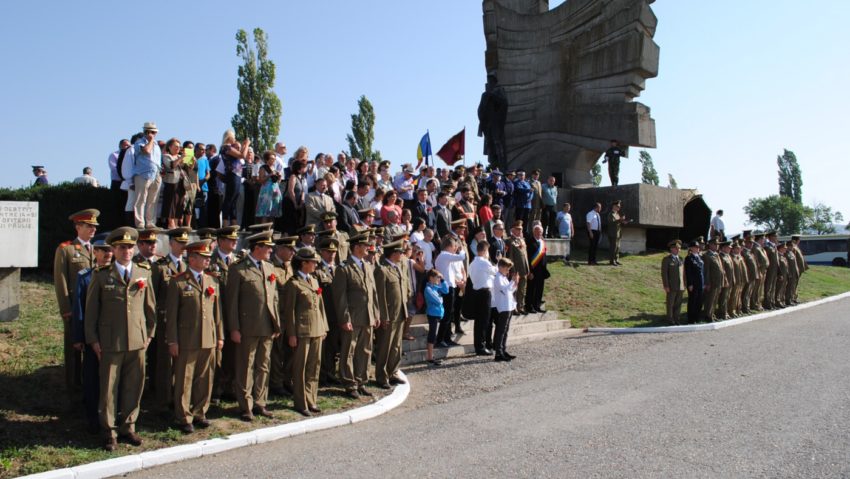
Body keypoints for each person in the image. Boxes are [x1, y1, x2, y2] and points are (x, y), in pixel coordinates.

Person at [84, 227, 156, 451]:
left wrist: (149, 335)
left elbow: (150, 309)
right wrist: (93, 340)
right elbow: (91, 312)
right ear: (113, 250)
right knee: (109, 389)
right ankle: (109, 430)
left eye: (130, 247)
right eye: (122, 247)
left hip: (137, 340)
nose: (126, 251)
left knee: (134, 386)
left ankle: (128, 426)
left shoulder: (143, 272)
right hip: (110, 342)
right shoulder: (101, 274)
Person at [165, 240, 223, 433]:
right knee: (184, 379)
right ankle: (183, 416)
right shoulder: (178, 281)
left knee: (205, 378)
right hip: (186, 340)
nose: (207, 260)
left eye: (208, 257)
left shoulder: (212, 280)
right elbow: (171, 315)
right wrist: (172, 340)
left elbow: (217, 313)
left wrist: (220, 336)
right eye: (203, 257)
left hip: (208, 338)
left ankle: (200, 412)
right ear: (192, 258)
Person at [224, 230, 280, 422]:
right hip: (247, 327)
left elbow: (274, 299)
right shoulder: (238, 269)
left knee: (263, 366)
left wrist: (276, 324)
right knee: (245, 366)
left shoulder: (270, 268)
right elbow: (232, 303)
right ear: (258, 247)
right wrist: (234, 328)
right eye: (268, 247)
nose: (271, 251)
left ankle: (260, 402)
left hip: (267, 326)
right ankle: (245, 405)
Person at [54, 208, 99, 392]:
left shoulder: (97, 250)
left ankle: (89, 386)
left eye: (95, 226)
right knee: (73, 351)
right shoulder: (66, 250)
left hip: (94, 309)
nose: (93, 229)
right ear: (78, 227)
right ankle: (73, 389)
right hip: (75, 307)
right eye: (89, 226)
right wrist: (66, 309)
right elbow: (60, 281)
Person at [71, 233, 112, 434]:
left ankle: (111, 415)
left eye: (111, 250)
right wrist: (79, 337)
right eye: (103, 250)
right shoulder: (85, 276)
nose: (108, 254)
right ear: (94, 252)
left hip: (113, 336)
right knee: (92, 378)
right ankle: (92, 418)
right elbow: (79, 308)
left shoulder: (117, 275)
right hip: (92, 335)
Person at [332, 233, 380, 399]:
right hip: (352, 317)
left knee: (365, 350)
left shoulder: (367, 266)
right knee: (349, 351)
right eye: (365, 245)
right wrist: (344, 318)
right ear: (357, 247)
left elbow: (373, 292)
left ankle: (361, 381)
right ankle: (349, 383)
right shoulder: (343, 268)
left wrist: (376, 313)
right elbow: (340, 297)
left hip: (367, 316)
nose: (368, 248)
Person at [282, 247, 329, 417]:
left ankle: (311, 399)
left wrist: (324, 327)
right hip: (302, 332)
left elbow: (320, 306)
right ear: (304, 263)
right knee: (300, 368)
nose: (316, 264)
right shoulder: (293, 284)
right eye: (313, 262)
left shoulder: (314, 281)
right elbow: (289, 312)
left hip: (316, 329)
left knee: (314, 366)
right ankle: (301, 402)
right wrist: (292, 334)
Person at [151, 227, 191, 410]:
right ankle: (163, 401)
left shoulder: (188, 266)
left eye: (185, 243)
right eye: (180, 243)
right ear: (171, 243)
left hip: (184, 322)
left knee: (181, 363)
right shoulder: (160, 267)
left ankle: (178, 397)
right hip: (165, 321)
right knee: (165, 364)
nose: (183, 246)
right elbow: (153, 297)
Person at [374, 240, 412, 389]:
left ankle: (393, 372)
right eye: (400, 252)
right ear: (393, 253)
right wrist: (383, 316)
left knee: (396, 346)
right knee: (385, 346)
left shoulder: (397, 268)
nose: (402, 254)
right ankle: (382, 376)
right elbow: (380, 295)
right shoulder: (382, 270)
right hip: (389, 315)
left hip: (400, 312)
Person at [268, 235, 296, 397]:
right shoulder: (271, 267)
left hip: (290, 315)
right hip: (278, 315)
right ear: (280, 249)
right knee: (277, 352)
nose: (292, 252)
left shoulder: (291, 266)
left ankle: (287, 380)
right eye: (289, 249)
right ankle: (276, 383)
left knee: (290, 350)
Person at [315, 238, 341, 385]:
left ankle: (331, 372)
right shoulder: (318, 271)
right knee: (323, 349)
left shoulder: (339, 269)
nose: (332, 255)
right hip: (325, 314)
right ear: (322, 252)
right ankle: (322, 375)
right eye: (328, 252)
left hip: (337, 314)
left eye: (334, 252)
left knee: (333, 346)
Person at [434, 235, 466, 347]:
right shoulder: (444, 255)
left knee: (449, 313)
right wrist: (461, 248)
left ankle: (446, 338)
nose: (455, 248)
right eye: (454, 246)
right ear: (450, 246)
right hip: (446, 287)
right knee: (447, 314)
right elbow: (461, 257)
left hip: (449, 286)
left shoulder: (444, 256)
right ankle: (440, 339)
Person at [131, 122, 162, 228]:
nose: (153, 134)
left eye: (154, 132)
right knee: (141, 199)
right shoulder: (139, 142)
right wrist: (151, 140)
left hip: (156, 174)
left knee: (153, 200)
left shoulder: (157, 145)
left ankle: (150, 222)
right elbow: (147, 151)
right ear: (146, 132)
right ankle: (140, 222)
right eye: (151, 132)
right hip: (143, 174)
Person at [468, 241, 496, 355]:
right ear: (484, 251)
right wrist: (497, 262)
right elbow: (495, 271)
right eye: (487, 251)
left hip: (476, 292)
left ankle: (478, 346)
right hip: (484, 293)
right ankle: (481, 346)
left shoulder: (473, 262)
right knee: (484, 320)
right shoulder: (484, 262)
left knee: (479, 321)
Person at [220, 129, 250, 227]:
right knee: (229, 199)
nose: (235, 138)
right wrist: (248, 145)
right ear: (229, 137)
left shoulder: (229, 148)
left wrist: (244, 145)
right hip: (232, 174)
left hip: (237, 175)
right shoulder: (225, 147)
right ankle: (225, 222)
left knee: (234, 200)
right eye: (234, 136)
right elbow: (242, 155)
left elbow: (240, 154)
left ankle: (233, 222)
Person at [491, 258, 518, 362]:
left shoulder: (503, 277)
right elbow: (504, 289)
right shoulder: (497, 277)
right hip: (503, 306)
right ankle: (498, 352)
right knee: (501, 330)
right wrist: (512, 280)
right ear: (501, 267)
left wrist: (515, 283)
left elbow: (510, 290)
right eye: (507, 269)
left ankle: (503, 349)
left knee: (505, 330)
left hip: (509, 305)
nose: (508, 271)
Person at [161, 138, 186, 229]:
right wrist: (181, 158)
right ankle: (170, 223)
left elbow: (187, 168)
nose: (178, 148)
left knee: (179, 202)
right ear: (169, 147)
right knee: (170, 202)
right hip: (171, 181)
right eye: (175, 146)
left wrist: (191, 161)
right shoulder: (166, 156)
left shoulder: (179, 156)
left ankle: (176, 222)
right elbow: (171, 166)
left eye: (179, 147)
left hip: (181, 182)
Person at [506, 220, 530, 314]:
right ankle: (514, 307)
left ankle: (521, 307)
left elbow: (525, 256)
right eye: (517, 229)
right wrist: (513, 271)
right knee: (514, 290)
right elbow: (510, 257)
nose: (520, 231)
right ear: (513, 230)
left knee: (522, 290)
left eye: (521, 229)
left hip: (524, 269)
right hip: (516, 270)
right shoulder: (510, 241)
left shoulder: (522, 240)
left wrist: (528, 269)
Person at [525, 224, 549, 313]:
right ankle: (529, 306)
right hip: (533, 270)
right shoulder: (529, 242)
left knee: (539, 289)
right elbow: (528, 257)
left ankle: (537, 305)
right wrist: (529, 271)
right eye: (537, 231)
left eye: (541, 231)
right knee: (531, 289)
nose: (539, 233)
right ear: (534, 231)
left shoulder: (542, 242)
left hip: (541, 271)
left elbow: (544, 256)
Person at [660, 240, 685, 324]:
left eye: (679, 248)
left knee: (678, 303)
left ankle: (677, 318)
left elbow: (683, 273)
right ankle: (670, 319)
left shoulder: (681, 259)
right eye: (676, 248)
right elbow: (664, 274)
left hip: (680, 285)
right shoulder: (667, 259)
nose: (678, 250)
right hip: (671, 286)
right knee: (670, 303)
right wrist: (666, 285)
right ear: (671, 249)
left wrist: (684, 284)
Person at [255, 151, 283, 223]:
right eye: (272, 158)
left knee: (272, 214)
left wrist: (279, 178)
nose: (274, 160)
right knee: (265, 213)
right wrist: (269, 175)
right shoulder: (263, 168)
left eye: (274, 158)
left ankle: (271, 232)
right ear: (267, 159)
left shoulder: (274, 168)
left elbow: (277, 183)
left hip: (275, 191)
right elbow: (261, 181)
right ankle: (264, 232)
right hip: (266, 192)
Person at [702, 238, 726, 322]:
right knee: (710, 299)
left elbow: (721, 269)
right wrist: (707, 283)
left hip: (718, 281)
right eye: (715, 244)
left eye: (718, 244)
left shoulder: (717, 255)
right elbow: (706, 270)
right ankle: (708, 315)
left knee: (715, 299)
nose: (717, 246)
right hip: (712, 282)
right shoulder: (707, 255)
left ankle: (712, 314)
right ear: (711, 245)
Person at [683, 240, 704, 323]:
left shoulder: (699, 258)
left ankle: (697, 318)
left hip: (700, 283)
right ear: (691, 248)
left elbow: (702, 271)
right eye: (695, 247)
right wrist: (690, 284)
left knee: (699, 301)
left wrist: (704, 283)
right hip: (693, 284)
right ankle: (691, 319)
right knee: (693, 301)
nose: (697, 248)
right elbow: (688, 272)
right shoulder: (689, 258)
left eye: (698, 247)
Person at [607, 200, 628, 266]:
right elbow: (611, 223)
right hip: (613, 233)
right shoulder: (611, 214)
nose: (619, 208)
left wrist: (623, 222)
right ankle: (612, 261)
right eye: (618, 206)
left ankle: (616, 260)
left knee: (618, 248)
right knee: (613, 248)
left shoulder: (617, 214)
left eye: (619, 207)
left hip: (618, 233)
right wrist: (620, 219)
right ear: (614, 206)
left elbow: (618, 223)